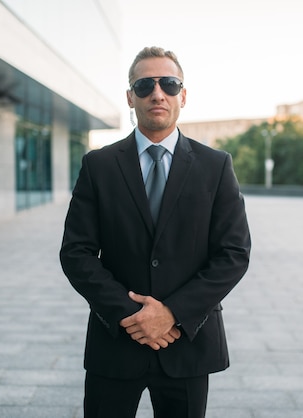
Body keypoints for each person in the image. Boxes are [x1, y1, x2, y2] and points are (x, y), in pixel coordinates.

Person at [59, 46, 251, 418]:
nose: (157, 93)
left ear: (183, 94)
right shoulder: (98, 166)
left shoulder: (216, 166)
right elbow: (76, 252)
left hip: (187, 344)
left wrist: (173, 313)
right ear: (130, 96)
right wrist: (133, 316)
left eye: (169, 83)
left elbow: (234, 253)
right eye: (145, 84)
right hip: (116, 341)